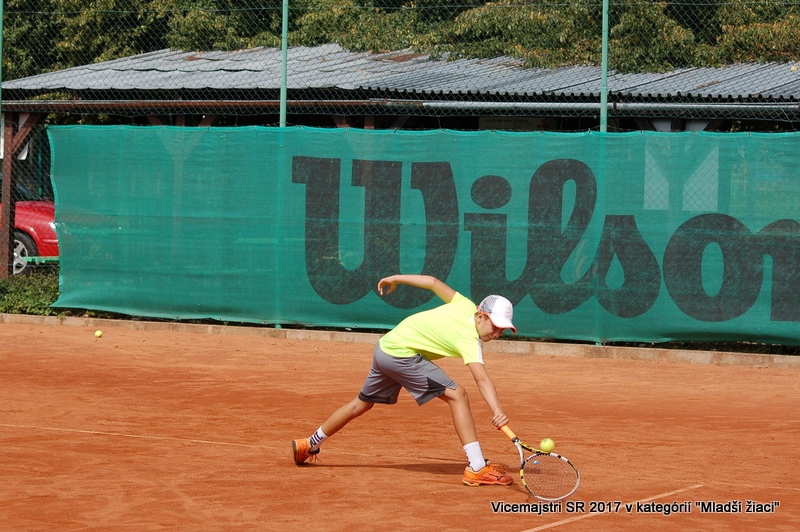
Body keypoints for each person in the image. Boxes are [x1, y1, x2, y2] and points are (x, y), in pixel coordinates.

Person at [292, 274, 517, 486]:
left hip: (385, 348)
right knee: (458, 395)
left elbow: (432, 282)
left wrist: (395, 278)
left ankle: (309, 444)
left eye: (502, 330)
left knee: (361, 404)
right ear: (481, 315)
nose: (497, 334)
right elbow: (482, 380)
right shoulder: (469, 339)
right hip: (402, 355)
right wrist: (497, 410)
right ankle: (477, 468)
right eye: (495, 326)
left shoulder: (464, 305)